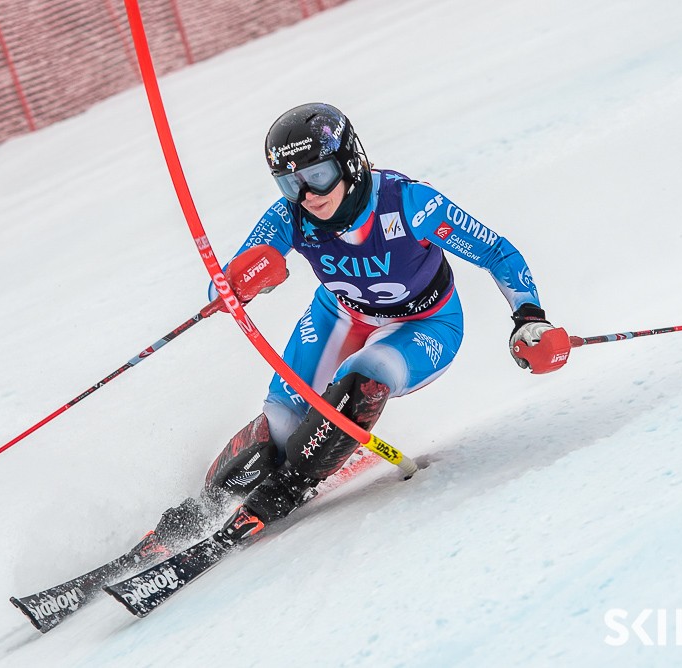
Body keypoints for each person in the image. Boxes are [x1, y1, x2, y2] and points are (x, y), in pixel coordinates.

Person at [138, 102, 570, 553]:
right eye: (291, 183)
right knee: (280, 426)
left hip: (425, 322)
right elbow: (223, 287)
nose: (308, 194)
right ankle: (198, 511)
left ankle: (285, 491)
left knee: (363, 377)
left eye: (318, 175)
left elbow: (496, 252)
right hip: (339, 315)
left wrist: (529, 318)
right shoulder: (290, 216)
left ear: (349, 161)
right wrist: (238, 283)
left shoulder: (410, 204)